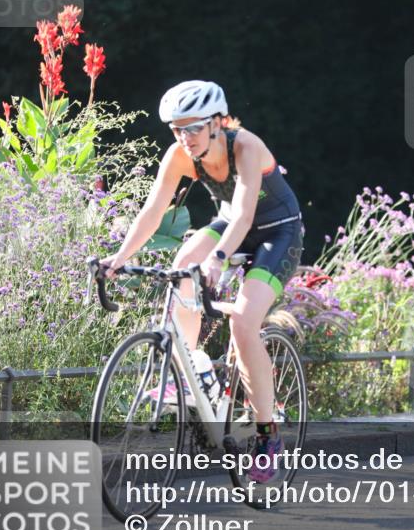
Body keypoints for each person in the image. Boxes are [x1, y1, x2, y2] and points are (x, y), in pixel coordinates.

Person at [100, 80, 303, 482]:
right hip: (230, 224)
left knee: (243, 322)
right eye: (177, 129)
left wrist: (219, 259)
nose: (184, 137)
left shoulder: (246, 146)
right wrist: (119, 258)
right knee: (182, 265)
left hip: (277, 232)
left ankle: (267, 435)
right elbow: (153, 210)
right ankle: (193, 369)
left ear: (217, 123)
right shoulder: (179, 155)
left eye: (193, 128)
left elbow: (245, 215)